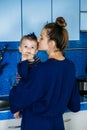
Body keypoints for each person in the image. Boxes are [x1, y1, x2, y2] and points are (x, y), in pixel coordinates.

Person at [9, 17, 80, 130]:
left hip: (35, 124)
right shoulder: (70, 66)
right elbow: (75, 104)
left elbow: (20, 95)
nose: (38, 40)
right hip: (57, 124)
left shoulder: (42, 69)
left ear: (51, 43)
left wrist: (23, 63)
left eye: (41, 37)